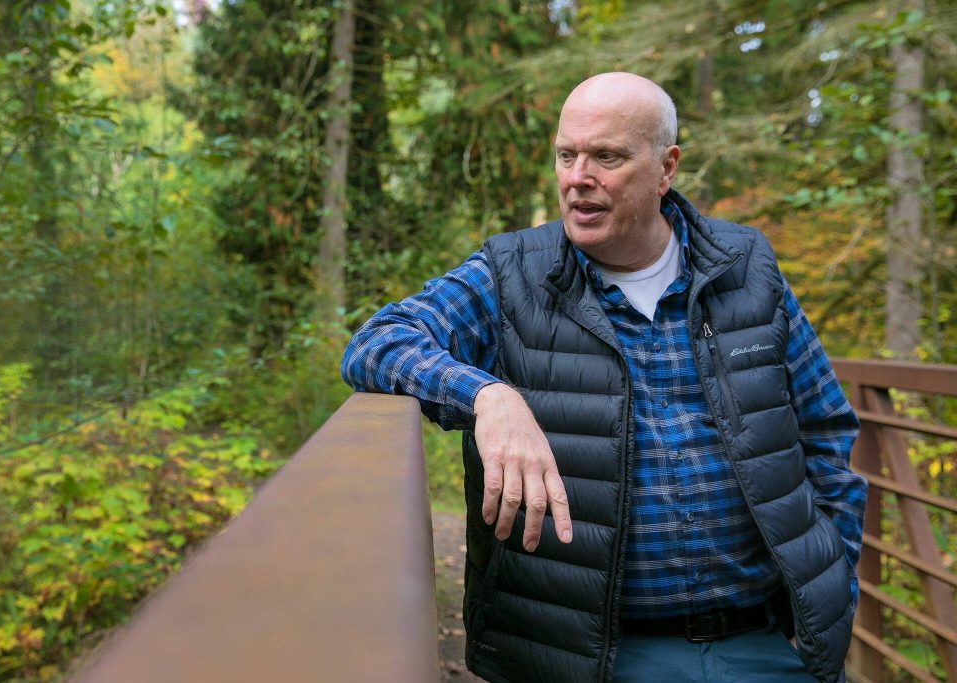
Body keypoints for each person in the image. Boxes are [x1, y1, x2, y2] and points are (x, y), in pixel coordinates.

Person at [341, 72, 866, 683]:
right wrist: (487, 395)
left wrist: (830, 573)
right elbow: (377, 343)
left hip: (764, 645)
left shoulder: (747, 269)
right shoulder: (513, 276)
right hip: (592, 658)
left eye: (606, 157)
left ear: (666, 167)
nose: (577, 177)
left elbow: (826, 431)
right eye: (567, 155)